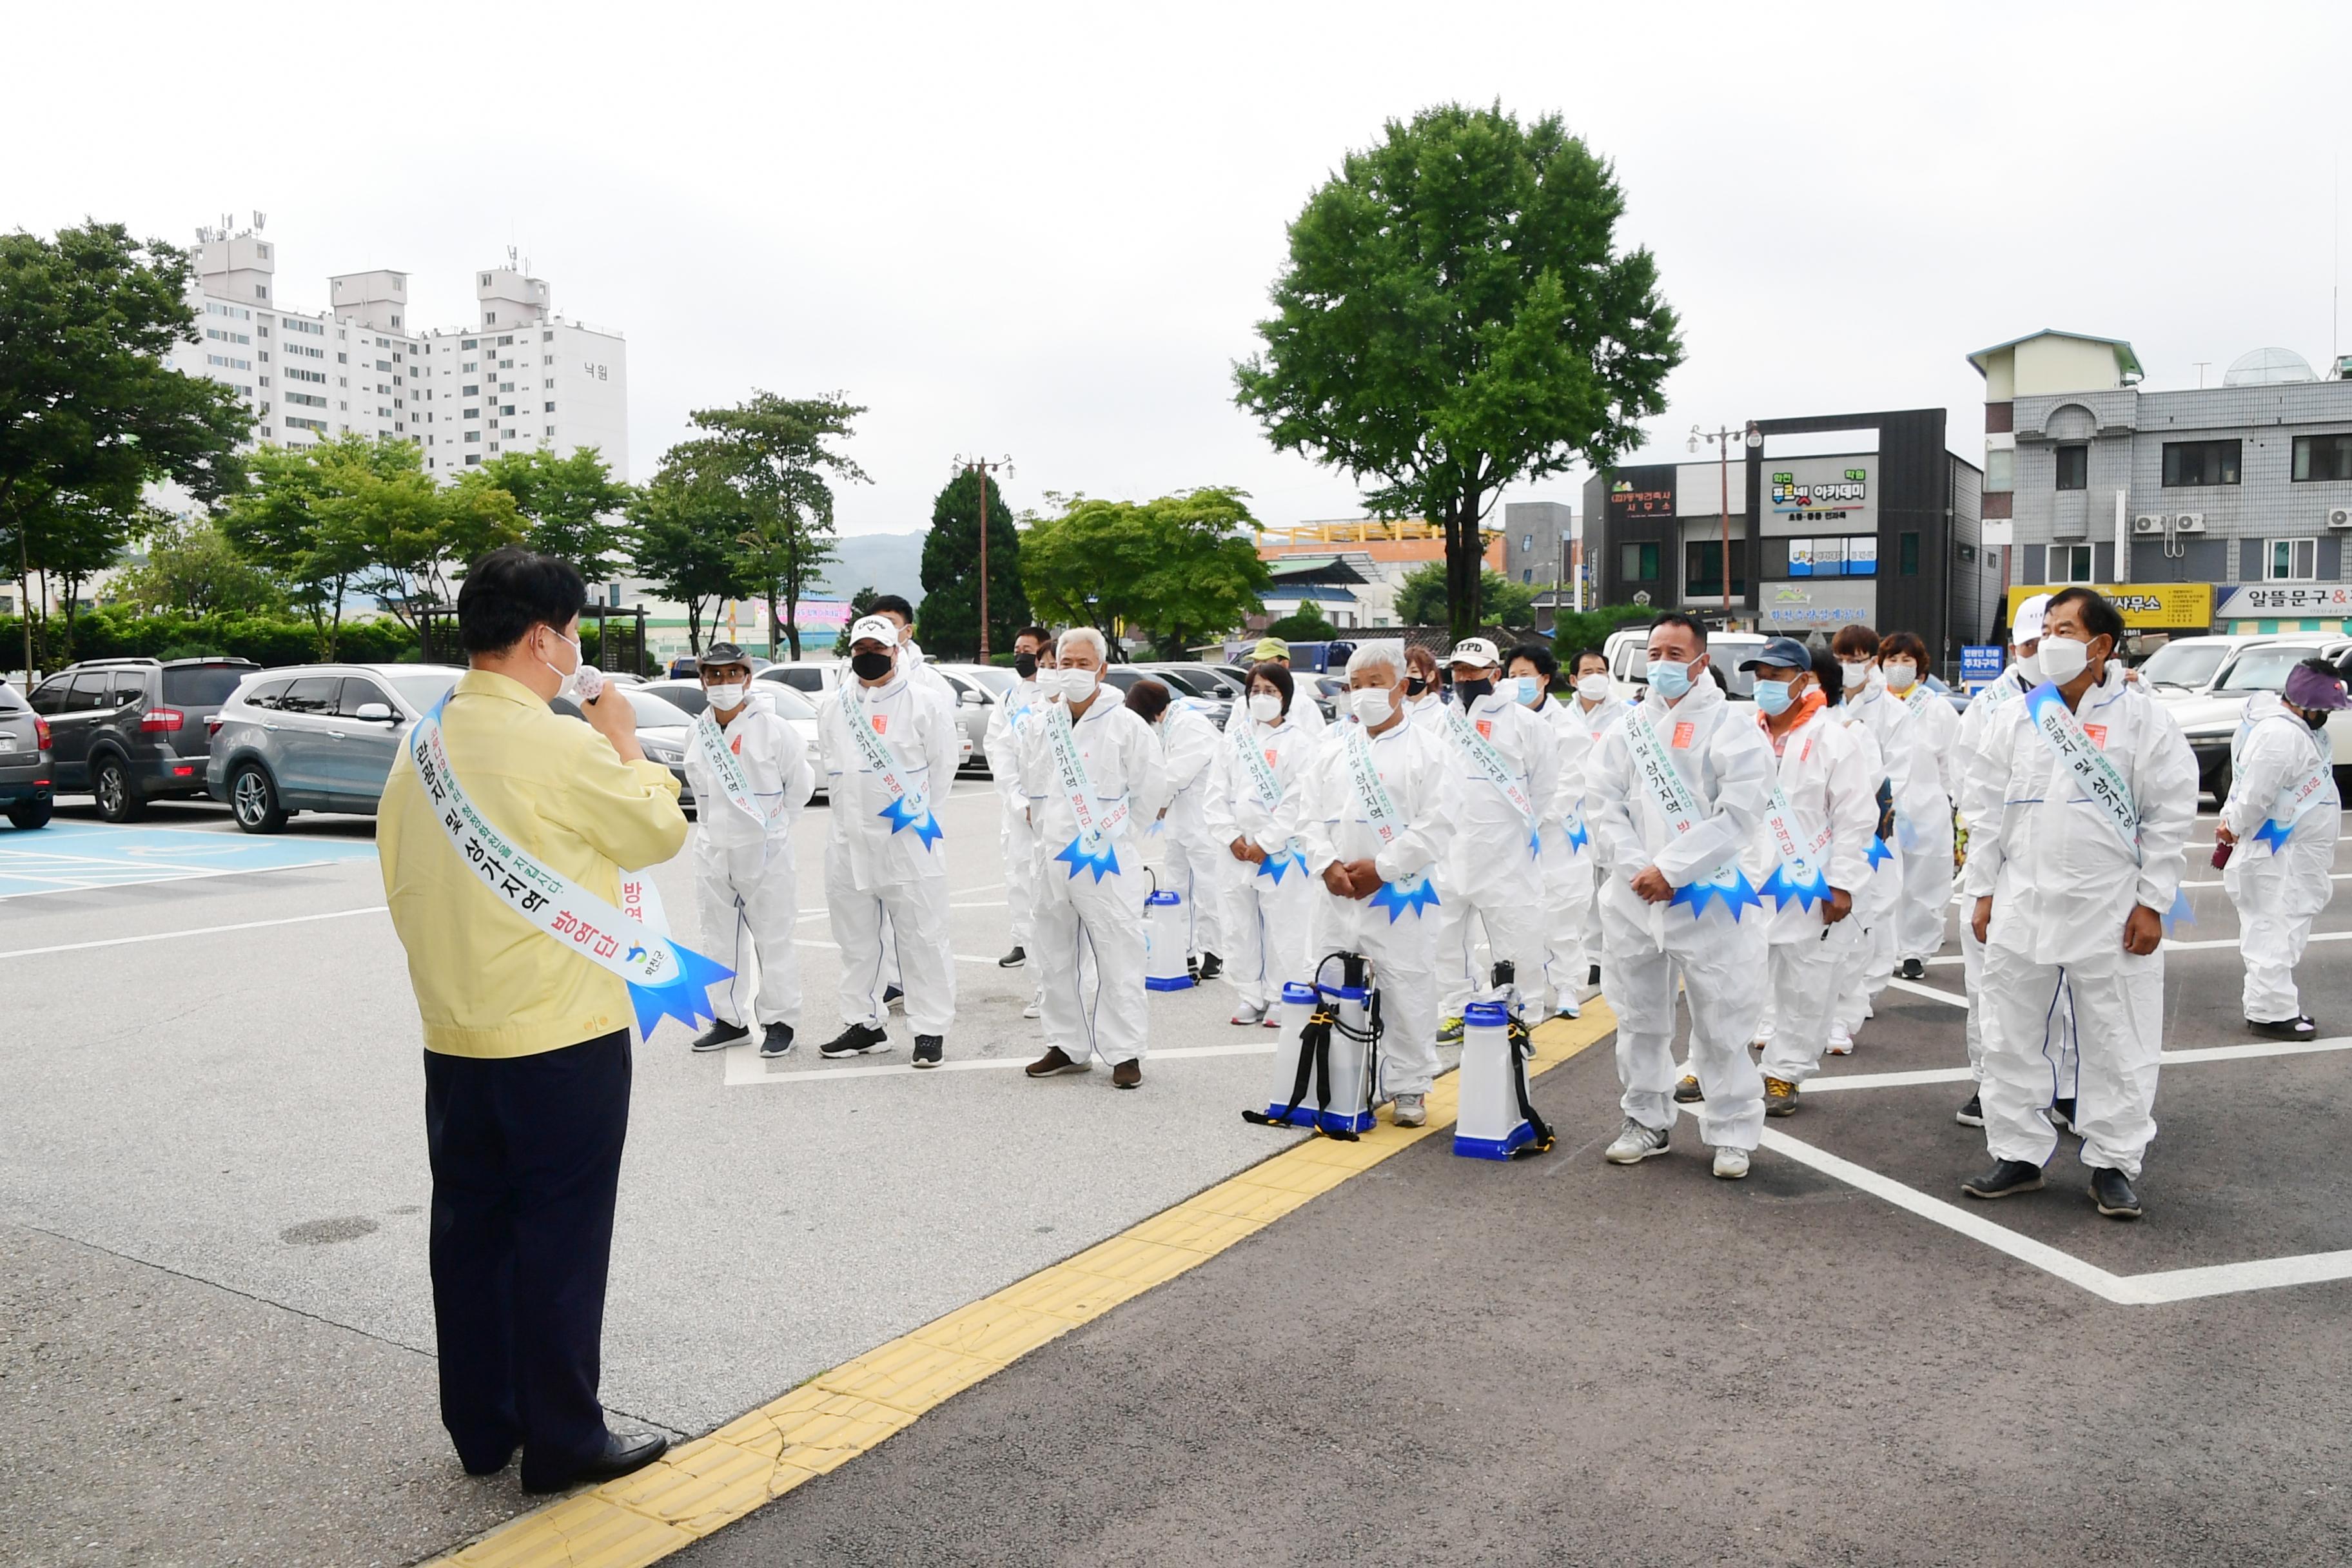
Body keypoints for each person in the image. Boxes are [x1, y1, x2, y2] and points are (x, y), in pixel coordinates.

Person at [377, 547, 683, 1493]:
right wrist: (626, 739)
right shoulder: (561, 743)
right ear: (547, 637)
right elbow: (656, 832)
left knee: (471, 1233)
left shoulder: (423, 743)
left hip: (455, 1036)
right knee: (559, 1237)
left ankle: (483, 1426)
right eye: (574, 630)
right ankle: (563, 1441)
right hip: (559, 1036)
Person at [1961, 587, 2195, 1220]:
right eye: (2047, 629)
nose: (2050, 642)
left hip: (2109, 904)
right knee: (2008, 1028)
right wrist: (1982, 890)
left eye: (2065, 629)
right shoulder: (2019, 715)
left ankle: (2114, 1161)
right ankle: (2017, 1151)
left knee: (2118, 1034)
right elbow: (1985, 811)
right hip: (2022, 897)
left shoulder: (2143, 719)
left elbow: (2170, 816)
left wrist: (2154, 902)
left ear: (2100, 646)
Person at [1585, 612, 1774, 1180]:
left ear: (1700, 660)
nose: (1662, 663)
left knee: (1722, 1020)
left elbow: (1740, 814)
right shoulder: (1626, 727)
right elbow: (1602, 803)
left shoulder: (1731, 726)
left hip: (1708, 898)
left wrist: (1671, 868)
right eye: (1655, 652)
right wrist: (1638, 867)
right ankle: (1646, 1119)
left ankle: (1733, 1131)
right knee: (1640, 1019)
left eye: (1675, 653)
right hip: (1634, 897)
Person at [1295, 641, 1456, 1128]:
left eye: (1376, 684)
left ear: (1403, 688)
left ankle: (1409, 1086)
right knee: (1327, 980)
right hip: (1337, 891)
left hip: (1398, 891)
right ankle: (1336, 1079)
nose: (1364, 695)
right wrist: (1327, 864)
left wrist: (1382, 867)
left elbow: (1440, 822)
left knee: (1407, 984)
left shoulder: (1430, 751)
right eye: (1356, 686)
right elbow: (1307, 817)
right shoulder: (1331, 750)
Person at [1021, 627, 1169, 1088]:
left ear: (1103, 670)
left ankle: (1125, 1052)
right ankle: (1066, 1043)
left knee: (1118, 954)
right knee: (1053, 953)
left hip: (1105, 857)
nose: (1074, 672)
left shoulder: (1127, 725)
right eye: (1066, 664)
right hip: (1051, 858)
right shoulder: (1043, 722)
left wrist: (1117, 836)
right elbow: (1031, 784)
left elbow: (1150, 793)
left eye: (1084, 664)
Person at [814, 614, 960, 1066]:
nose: (869, 657)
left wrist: (912, 816)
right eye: (860, 650)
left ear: (896, 651)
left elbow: (943, 770)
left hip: (907, 840)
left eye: (878, 648)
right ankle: (864, 1024)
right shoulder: (834, 706)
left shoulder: (925, 703)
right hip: (847, 843)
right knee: (856, 942)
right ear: (851, 652)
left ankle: (929, 1029)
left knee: (922, 937)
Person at [1735, 642, 1874, 1116]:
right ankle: (1714, 1063)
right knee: (1732, 977)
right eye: (1760, 675)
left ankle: (1784, 1072)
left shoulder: (1833, 738)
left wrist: (1843, 882)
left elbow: (1856, 816)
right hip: (1747, 878)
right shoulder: (1742, 734)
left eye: (1777, 675)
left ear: (1803, 679)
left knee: (1805, 983)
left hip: (1808, 878)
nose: (1766, 685)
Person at [1950, 594, 2073, 1128]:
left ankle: (2068, 1085)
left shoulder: (2098, 702)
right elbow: (1970, 789)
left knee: (2069, 990)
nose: (2041, 651)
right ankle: (1989, 1084)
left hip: (2070, 874)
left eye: (2052, 640)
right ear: (2015, 648)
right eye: (2031, 643)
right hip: (2002, 867)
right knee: (1991, 989)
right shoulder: (1992, 706)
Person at [683, 642, 816, 1059]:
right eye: (715, 675)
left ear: (748, 676)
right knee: (718, 938)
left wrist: (776, 830)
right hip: (712, 849)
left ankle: (780, 1021)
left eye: (732, 674)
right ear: (703, 678)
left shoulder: (774, 729)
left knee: (773, 939)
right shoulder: (697, 730)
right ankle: (729, 1020)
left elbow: (801, 786)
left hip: (764, 851)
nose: (724, 683)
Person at [1433, 637, 1561, 1032]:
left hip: (1505, 849)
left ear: (1495, 674)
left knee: (1516, 934)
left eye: (1473, 670)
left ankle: (1522, 1014)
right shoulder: (1441, 720)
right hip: (1450, 847)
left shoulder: (1526, 723)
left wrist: (1512, 829)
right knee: (1446, 937)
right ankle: (1456, 1006)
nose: (1465, 678)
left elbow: (1544, 787)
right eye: (1458, 671)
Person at [2218, 657, 2349, 1040]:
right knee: (2272, 929)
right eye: (2323, 708)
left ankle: (2272, 1004)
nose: (2326, 715)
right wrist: (2233, 826)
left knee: (2281, 927)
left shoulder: (2292, 731)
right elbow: (2256, 794)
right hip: (2275, 850)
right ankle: (2272, 1013)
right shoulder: (2281, 735)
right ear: (2303, 703)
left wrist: (2232, 823)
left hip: (2289, 851)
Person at [1206, 662, 1317, 1026]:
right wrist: (1230, 837)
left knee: (1284, 924)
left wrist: (1267, 842)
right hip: (1236, 850)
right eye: (1255, 690)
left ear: (1285, 698)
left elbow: (1299, 797)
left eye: (1270, 691)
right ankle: (1251, 994)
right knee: (1240, 924)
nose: (1261, 697)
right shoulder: (1233, 740)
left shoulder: (1299, 743)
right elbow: (1216, 792)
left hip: (1280, 852)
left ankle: (1283, 993)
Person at [1827, 622, 1914, 1052]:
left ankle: (1847, 1010)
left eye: (1858, 659)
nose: (1849, 667)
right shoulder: (1823, 705)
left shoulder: (1894, 712)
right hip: (1826, 828)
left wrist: (1872, 811)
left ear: (1872, 661)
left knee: (1866, 918)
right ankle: (1815, 1012)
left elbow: (1898, 775)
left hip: (1872, 829)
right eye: (1842, 659)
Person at [1507, 641, 1589, 1018]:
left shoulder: (1567, 728)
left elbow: (1572, 781)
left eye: (1524, 676)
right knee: (1517, 914)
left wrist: (1538, 816)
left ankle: (1568, 986)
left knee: (1562, 913)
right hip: (1511, 836)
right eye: (1510, 677)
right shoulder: (1503, 719)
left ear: (1544, 679)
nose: (1517, 683)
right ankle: (1523, 987)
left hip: (1555, 834)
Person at [1129, 677, 1226, 980]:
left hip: (1200, 820)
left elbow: (1176, 774)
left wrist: (1153, 802)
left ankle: (1214, 952)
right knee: (1177, 888)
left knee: (1206, 889)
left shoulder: (1190, 724)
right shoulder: (1169, 726)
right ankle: (1183, 952)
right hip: (1180, 821)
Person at [1879, 631, 1961, 979]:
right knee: (1883, 882)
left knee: (1925, 881)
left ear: (1920, 670)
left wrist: (1956, 803)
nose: (1899, 667)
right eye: (1892, 660)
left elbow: (1952, 762)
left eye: (1906, 661)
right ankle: (1881, 952)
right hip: (1882, 808)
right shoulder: (1873, 707)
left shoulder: (1937, 708)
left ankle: (1916, 950)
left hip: (1927, 807)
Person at [985, 625, 1055, 1020]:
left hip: (1063, 823)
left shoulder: (1073, 706)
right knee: (1023, 890)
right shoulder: (1011, 701)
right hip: (1020, 815)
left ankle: (1066, 987)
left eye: (1040, 657)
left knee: (1056, 904)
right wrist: (1017, 800)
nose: (1027, 660)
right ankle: (1041, 981)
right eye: (1023, 653)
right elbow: (999, 751)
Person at [1565, 646, 1626, 988]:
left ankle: (1613, 954)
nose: (1595, 678)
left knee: (1614, 887)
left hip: (1611, 810)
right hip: (1575, 813)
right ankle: (1591, 958)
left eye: (1601, 671)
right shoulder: (1565, 716)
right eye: (1587, 673)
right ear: (1574, 680)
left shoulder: (1624, 713)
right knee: (1584, 890)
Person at [1226, 634, 1328, 736]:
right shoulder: (1242, 704)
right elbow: (1229, 741)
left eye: (1265, 662)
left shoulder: (1305, 705)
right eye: (1256, 662)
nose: (1258, 668)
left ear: (1284, 664)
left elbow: (1318, 744)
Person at [870, 593, 956, 705]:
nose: (883, 629)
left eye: (890, 623)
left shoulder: (930, 679)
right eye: (877, 623)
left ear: (909, 631)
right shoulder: (857, 677)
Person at [1403, 644, 1447, 721]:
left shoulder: (1442, 714)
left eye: (1414, 671)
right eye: (1403, 672)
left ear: (1430, 676)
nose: (1407, 676)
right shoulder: (1396, 710)